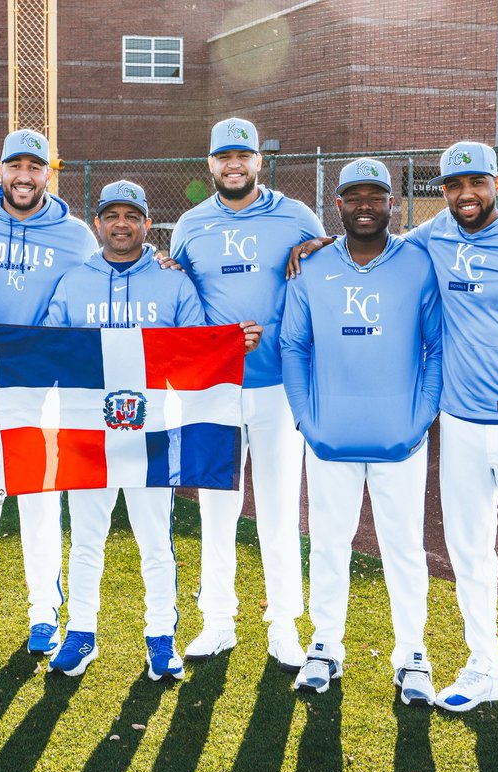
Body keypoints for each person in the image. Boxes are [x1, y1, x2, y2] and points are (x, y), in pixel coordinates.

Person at [290, 142, 498, 737]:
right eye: (453, 185)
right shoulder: (435, 236)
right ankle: (484, 667)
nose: (465, 195)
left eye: (476, 182)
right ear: (440, 191)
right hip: (461, 425)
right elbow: (376, 244)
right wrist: (319, 244)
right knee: (468, 552)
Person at [30, 180, 261, 680]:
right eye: (112, 215)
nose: (121, 225)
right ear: (98, 223)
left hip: (153, 430)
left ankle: (161, 638)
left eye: (131, 216)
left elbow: (197, 348)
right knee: (86, 539)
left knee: (156, 540)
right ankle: (80, 634)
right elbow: (47, 346)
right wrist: (0, 342)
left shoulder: (172, 283)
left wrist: (231, 343)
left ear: (147, 224)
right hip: (88, 432)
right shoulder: (75, 281)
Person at [279, 159, 442, 701]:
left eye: (376, 196)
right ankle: (325, 646)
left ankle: (412, 655)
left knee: (405, 548)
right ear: (339, 205)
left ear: (392, 203)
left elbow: (437, 346)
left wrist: (420, 418)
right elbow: (293, 345)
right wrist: (305, 419)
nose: (365, 205)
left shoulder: (417, 263)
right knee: (329, 543)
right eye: (354, 196)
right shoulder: (312, 266)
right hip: (330, 437)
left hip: (401, 440)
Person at [169, 117, 328, 671]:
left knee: (280, 509)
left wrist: (325, 243)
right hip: (214, 386)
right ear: (210, 164)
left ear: (259, 161)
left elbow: (328, 270)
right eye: (223, 157)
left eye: (244, 156)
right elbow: (181, 294)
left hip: (278, 385)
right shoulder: (190, 223)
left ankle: (284, 624)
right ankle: (217, 621)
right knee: (217, 508)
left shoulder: (296, 214)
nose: (233, 165)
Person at [0, 130, 98, 656]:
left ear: (48, 174)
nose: (24, 176)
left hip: (43, 395)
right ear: (0, 171)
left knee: (39, 505)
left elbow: (90, 304)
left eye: (35, 167)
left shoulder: (77, 237)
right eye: (15, 165)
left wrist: (161, 261)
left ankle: (43, 614)